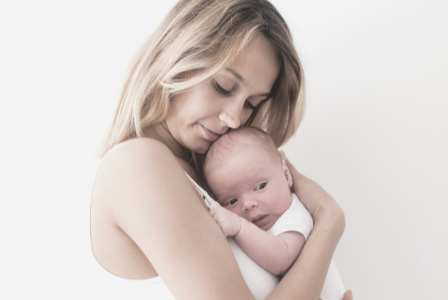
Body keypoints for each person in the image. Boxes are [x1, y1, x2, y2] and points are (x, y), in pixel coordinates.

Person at [90, 0, 353, 299]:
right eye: (223, 87)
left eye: (251, 104)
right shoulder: (137, 166)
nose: (233, 118)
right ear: (178, 55)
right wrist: (329, 222)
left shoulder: (214, 182)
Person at [204, 126, 346, 300]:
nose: (248, 204)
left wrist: (239, 227)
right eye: (232, 201)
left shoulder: (294, 213)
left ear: (286, 175)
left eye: (260, 186)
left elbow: (282, 258)